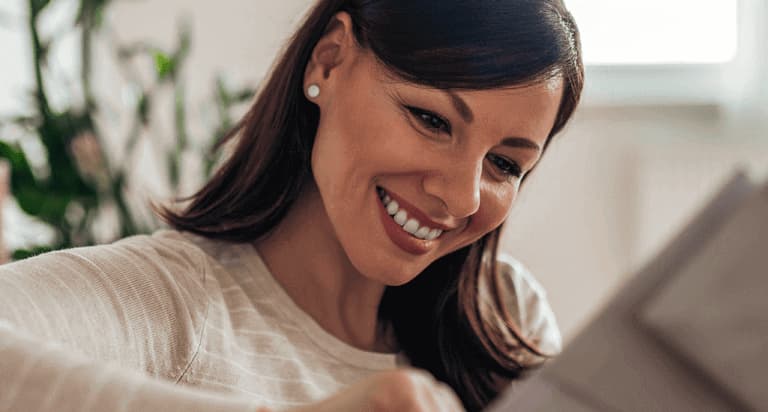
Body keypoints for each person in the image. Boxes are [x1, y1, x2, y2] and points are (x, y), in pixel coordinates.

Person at [0, 0, 583, 411]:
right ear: (328, 61)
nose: (460, 195)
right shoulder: (168, 305)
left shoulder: (505, 317)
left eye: (504, 165)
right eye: (431, 120)